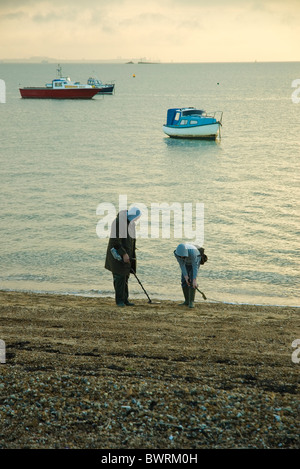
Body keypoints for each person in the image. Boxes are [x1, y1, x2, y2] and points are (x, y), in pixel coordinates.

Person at [105, 207, 141, 307]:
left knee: (125, 276)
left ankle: (125, 299)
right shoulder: (118, 222)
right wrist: (124, 253)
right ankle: (119, 301)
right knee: (119, 277)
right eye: (137, 217)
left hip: (127, 255)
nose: (137, 219)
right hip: (117, 255)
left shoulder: (130, 223)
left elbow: (132, 240)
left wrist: (130, 255)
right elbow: (115, 241)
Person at [174, 243, 202, 308]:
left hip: (195, 261)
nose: (181, 257)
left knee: (192, 280)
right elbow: (182, 265)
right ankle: (186, 301)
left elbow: (195, 266)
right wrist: (186, 277)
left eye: (183, 256)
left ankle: (191, 302)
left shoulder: (193, 252)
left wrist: (194, 280)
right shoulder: (176, 253)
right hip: (186, 263)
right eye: (180, 256)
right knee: (184, 280)